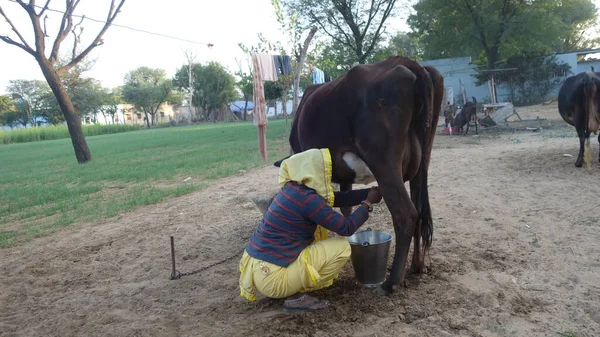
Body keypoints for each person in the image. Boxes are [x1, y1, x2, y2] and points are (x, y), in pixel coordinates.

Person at [238, 148, 383, 312]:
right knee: (343, 246)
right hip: (274, 278)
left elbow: (337, 199)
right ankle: (294, 296)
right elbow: (346, 227)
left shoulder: (292, 190)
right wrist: (368, 204)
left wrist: (369, 193)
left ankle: (286, 288)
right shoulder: (308, 200)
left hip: (257, 270)